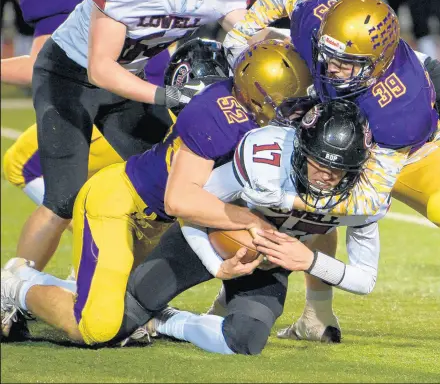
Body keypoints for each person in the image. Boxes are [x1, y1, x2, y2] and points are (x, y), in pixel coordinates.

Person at [222, 0, 440, 356]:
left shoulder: (399, 108)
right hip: (339, 139)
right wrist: (243, 31)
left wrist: (287, 198)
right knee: (300, 211)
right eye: (329, 57)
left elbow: (369, 198)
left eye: (346, 64)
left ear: (377, 63)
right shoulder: (318, 25)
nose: (332, 69)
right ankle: (308, 314)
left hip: (405, 156)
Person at [0, 39, 311, 345]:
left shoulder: (251, 115)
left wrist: (224, 261)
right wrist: (251, 222)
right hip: (118, 204)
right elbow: (181, 200)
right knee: (97, 327)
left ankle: (74, 291)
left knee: (124, 313)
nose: (293, 113)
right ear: (255, 94)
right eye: (285, 102)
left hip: (159, 222)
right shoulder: (218, 116)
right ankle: (15, 283)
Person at [104, 99, 382, 356]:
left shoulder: (367, 195)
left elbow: (366, 279)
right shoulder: (267, 160)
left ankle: (167, 321)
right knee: (119, 318)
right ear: (301, 148)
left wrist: (310, 260)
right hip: (208, 235)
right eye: (317, 161)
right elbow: (193, 208)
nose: (325, 175)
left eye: (338, 169)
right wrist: (216, 265)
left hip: (265, 261)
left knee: (245, 340)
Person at [13, 0, 250, 274]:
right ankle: (12, 290)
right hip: (67, 78)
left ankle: (110, 286)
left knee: (166, 185)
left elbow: (251, 33)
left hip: (128, 79)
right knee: (62, 200)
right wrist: (167, 96)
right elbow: (99, 68)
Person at [1, 0, 172, 210]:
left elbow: (42, 65)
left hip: (117, 99)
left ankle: (97, 237)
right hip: (153, 93)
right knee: (163, 187)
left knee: (22, 166)